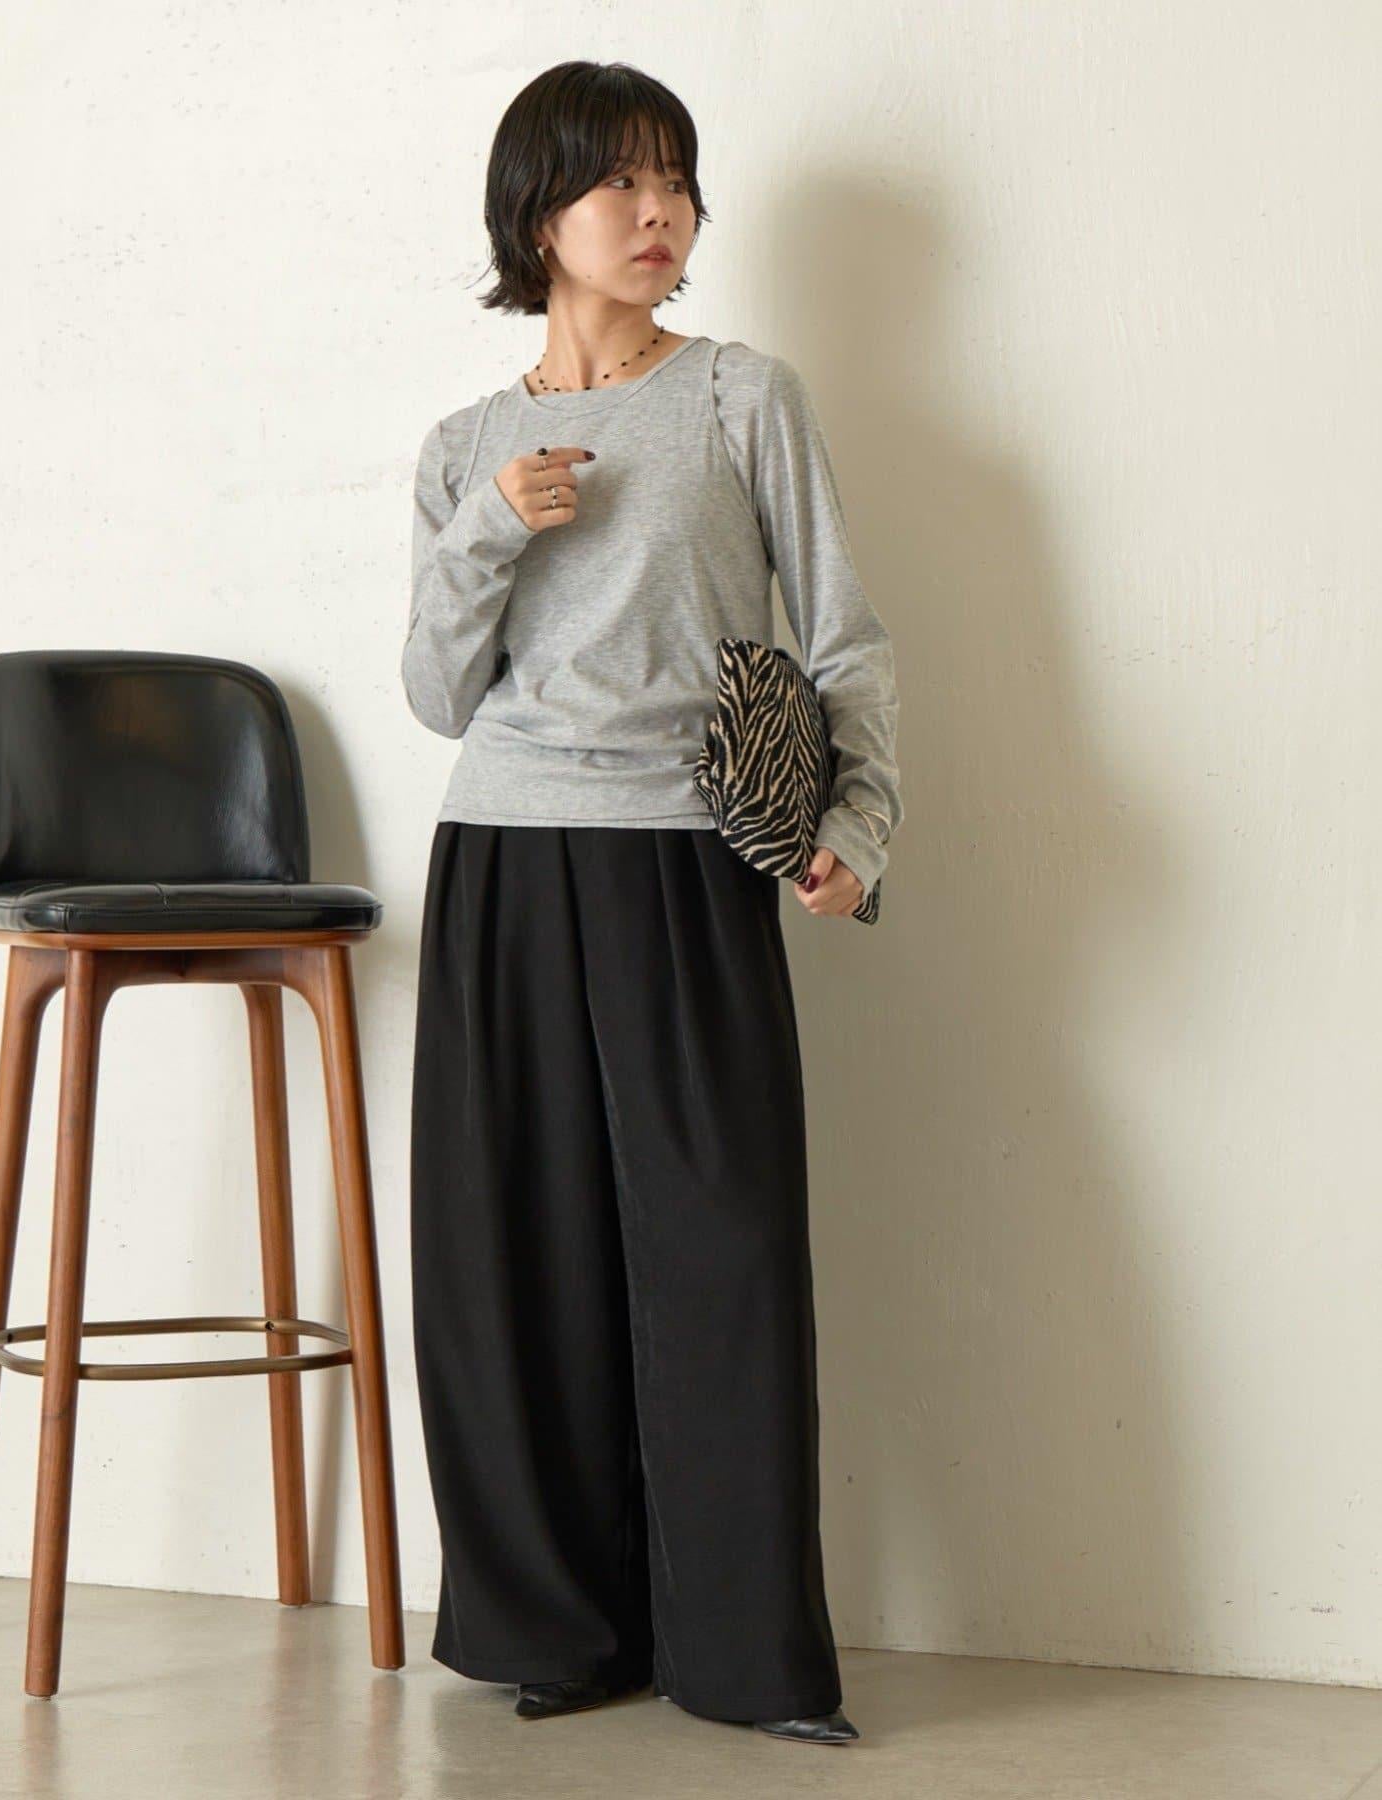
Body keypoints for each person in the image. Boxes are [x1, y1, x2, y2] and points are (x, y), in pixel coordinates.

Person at [402, 59, 902, 1748]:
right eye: (619, 180)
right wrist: (491, 529)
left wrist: (859, 826)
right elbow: (436, 694)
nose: (658, 210)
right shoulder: (465, 448)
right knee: (515, 1254)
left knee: (722, 1252)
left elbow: (843, 637)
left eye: (676, 178)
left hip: (688, 852)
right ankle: (559, 1626)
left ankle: (746, 1655)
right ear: (536, 213)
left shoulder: (742, 398)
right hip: (505, 853)